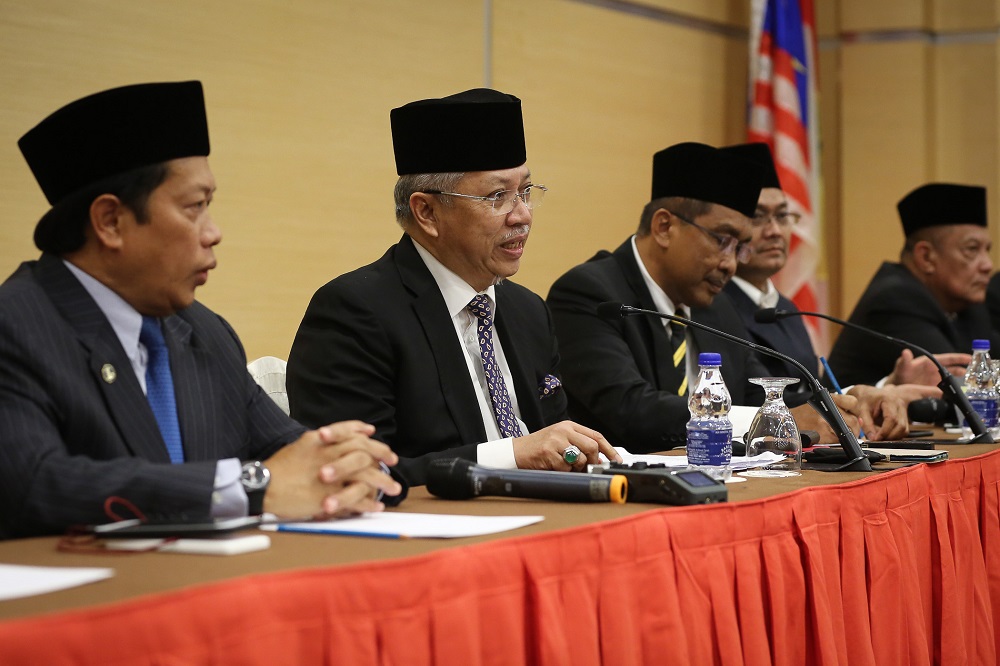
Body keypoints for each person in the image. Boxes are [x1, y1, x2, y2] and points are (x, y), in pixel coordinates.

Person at [0, 82, 400, 539]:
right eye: (194, 208)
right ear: (110, 222)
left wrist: (348, 467)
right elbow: (29, 484)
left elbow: (291, 453)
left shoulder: (203, 332)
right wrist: (249, 487)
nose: (214, 233)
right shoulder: (16, 326)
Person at [286, 88, 618, 487]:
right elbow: (353, 473)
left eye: (526, 192)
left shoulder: (528, 311)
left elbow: (555, 441)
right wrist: (511, 455)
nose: (523, 215)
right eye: (498, 197)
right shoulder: (356, 311)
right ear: (426, 212)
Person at [546, 142, 910, 454]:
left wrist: (851, 401)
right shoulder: (589, 293)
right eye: (722, 240)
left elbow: (763, 395)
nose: (731, 264)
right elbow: (631, 411)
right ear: (664, 227)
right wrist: (760, 420)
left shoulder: (715, 308)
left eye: (740, 248)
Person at [721, 142, 963, 393]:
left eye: (782, 216)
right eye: (758, 217)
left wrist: (889, 385)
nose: (774, 231)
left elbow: (819, 396)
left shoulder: (785, 309)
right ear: (729, 228)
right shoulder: (716, 309)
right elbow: (758, 402)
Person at [828, 183, 999, 387]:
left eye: (987, 250)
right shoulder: (895, 300)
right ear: (926, 257)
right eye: (972, 250)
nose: (987, 265)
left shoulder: (966, 302)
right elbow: (964, 384)